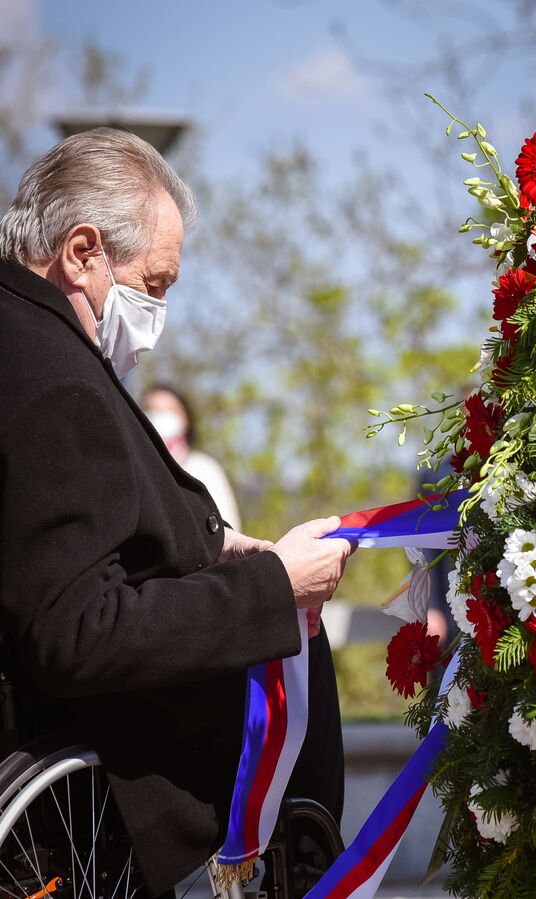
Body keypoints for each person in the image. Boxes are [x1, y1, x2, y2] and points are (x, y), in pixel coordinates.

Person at [0, 128, 353, 897]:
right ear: (82, 252)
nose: (157, 316)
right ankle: (303, 857)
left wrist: (211, 542)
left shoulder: (28, 338)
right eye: (153, 286)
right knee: (292, 645)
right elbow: (74, 630)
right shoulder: (52, 373)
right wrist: (273, 588)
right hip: (105, 744)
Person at [141, 384, 242, 530]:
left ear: (186, 419)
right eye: (152, 410)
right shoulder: (135, 467)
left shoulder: (204, 468)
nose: (161, 417)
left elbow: (228, 528)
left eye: (169, 410)